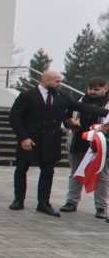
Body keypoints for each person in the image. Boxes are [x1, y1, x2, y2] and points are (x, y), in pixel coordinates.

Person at [8, 70, 109, 216]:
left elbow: (83, 108)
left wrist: (106, 114)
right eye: (57, 81)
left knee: (48, 172)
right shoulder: (27, 96)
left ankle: (43, 203)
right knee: (22, 169)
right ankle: (18, 200)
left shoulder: (62, 96)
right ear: (45, 81)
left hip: (51, 142)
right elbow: (14, 118)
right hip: (30, 140)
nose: (60, 84)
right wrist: (23, 137)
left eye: (60, 81)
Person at [60, 76, 109, 218]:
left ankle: (101, 208)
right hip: (78, 143)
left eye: (96, 89)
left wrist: (99, 135)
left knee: (102, 176)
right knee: (75, 174)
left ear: (105, 88)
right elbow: (66, 118)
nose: (92, 92)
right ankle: (71, 202)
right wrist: (74, 126)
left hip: (101, 145)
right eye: (90, 89)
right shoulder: (78, 101)